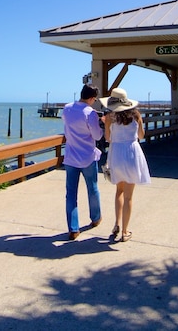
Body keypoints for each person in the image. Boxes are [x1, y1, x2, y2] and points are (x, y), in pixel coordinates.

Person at [101, 88, 151, 242]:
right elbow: (141, 135)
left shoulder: (110, 117)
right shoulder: (136, 115)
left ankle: (116, 224)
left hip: (116, 153)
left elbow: (108, 138)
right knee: (129, 196)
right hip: (132, 153)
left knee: (119, 191)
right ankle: (125, 231)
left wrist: (108, 126)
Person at [61, 84, 104, 240]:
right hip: (87, 157)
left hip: (71, 157)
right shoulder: (90, 113)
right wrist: (101, 123)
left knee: (71, 194)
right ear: (92, 98)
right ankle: (96, 218)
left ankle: (73, 228)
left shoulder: (67, 108)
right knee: (92, 188)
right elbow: (97, 136)